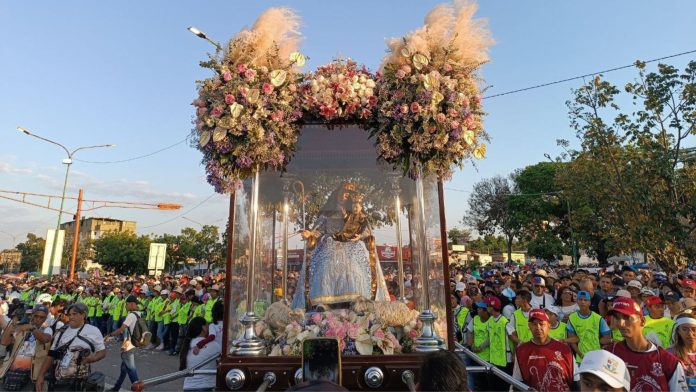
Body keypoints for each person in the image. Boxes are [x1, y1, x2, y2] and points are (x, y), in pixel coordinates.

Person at [291, 184, 388, 309]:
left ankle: (357, 301)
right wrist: (309, 233)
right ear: (336, 194)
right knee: (324, 268)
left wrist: (360, 236)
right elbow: (318, 231)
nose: (343, 196)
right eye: (342, 192)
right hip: (329, 250)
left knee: (354, 271)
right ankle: (323, 302)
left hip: (351, 251)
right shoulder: (327, 215)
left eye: (347, 194)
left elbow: (366, 231)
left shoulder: (356, 215)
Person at [607, 296, 687, 391]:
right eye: (616, 317)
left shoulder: (668, 361)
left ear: (642, 321)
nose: (621, 323)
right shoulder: (609, 353)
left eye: (626, 317)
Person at [35, 303, 106, 391]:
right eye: (69, 314)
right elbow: (51, 355)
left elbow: (102, 352)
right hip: (57, 381)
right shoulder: (62, 331)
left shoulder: (93, 330)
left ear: (83, 315)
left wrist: (93, 358)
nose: (71, 317)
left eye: (74, 314)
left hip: (78, 382)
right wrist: (41, 376)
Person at [512, 309, 575, 391]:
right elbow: (517, 383)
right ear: (529, 327)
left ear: (549, 325)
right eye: (534, 324)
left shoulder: (565, 349)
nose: (538, 327)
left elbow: (576, 381)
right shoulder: (521, 351)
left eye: (541, 324)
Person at [0, 305, 52, 391]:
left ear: (46, 318)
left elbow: (44, 339)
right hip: (12, 371)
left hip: (30, 375)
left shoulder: (47, 329)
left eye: (42, 317)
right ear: (32, 315)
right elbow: (4, 342)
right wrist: (14, 321)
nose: (38, 319)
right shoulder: (22, 326)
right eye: (36, 316)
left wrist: (32, 328)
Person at [106, 295, 141, 391]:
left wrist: (109, 335)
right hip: (134, 343)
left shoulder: (131, 315)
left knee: (131, 370)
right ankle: (116, 388)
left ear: (132, 304)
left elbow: (121, 330)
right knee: (124, 369)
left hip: (129, 345)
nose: (125, 306)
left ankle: (138, 389)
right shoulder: (139, 314)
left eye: (127, 304)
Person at [566, 290, 611, 362]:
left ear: (590, 302)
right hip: (580, 359)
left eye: (585, 300)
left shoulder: (598, 318)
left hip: (597, 358)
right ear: (577, 301)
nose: (583, 302)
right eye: (580, 299)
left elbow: (607, 338)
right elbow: (572, 340)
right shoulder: (572, 318)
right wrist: (581, 355)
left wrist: (600, 350)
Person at [668, 314, 696, 391]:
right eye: (684, 329)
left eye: (694, 329)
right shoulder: (669, 354)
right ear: (678, 331)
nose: (690, 334)